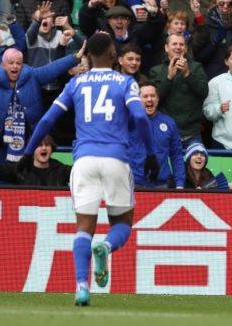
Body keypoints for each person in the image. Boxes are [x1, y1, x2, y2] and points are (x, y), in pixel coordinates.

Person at [16, 32, 160, 306]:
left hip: (82, 160)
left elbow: (47, 120)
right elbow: (140, 115)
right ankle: (105, 247)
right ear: (112, 55)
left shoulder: (76, 83)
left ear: (89, 56)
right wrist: (151, 153)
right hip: (116, 158)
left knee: (83, 227)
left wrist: (27, 152)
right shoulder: (125, 82)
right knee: (122, 223)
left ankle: (82, 287)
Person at [150, 32, 209, 146]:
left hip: (192, 133)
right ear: (166, 48)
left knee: (196, 164)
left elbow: (204, 92)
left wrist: (187, 73)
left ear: (185, 48)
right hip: (165, 130)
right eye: (174, 44)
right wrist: (169, 78)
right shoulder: (156, 71)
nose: (178, 47)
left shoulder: (196, 67)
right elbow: (154, 100)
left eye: (181, 44)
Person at [129, 82, 185, 189]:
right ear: (138, 100)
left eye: (153, 96)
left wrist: (180, 184)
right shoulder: (129, 122)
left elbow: (176, 155)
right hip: (135, 184)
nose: (149, 99)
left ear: (158, 99)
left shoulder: (169, 123)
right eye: (145, 96)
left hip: (162, 185)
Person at [0, 135, 70, 187]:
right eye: (39, 145)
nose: (44, 148)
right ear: (32, 150)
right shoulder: (21, 169)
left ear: (52, 149)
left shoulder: (61, 170)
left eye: (47, 145)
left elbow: (80, 173)